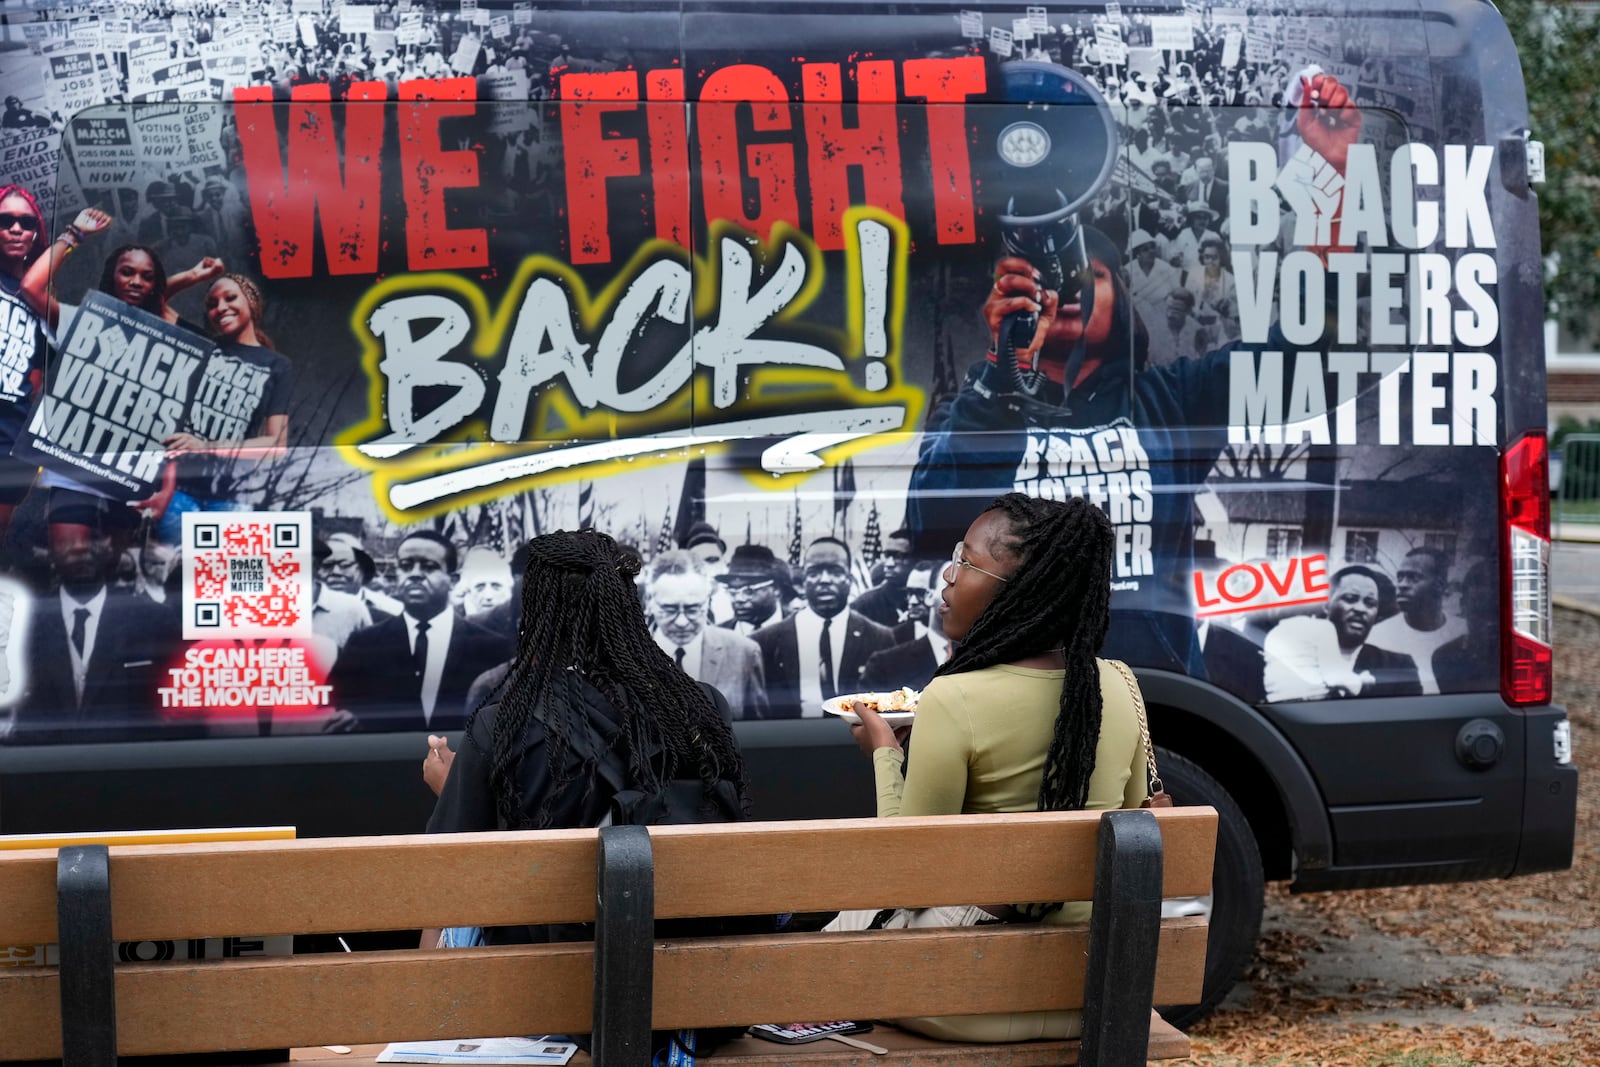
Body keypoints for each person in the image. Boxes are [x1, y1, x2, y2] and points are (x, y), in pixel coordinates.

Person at [832, 493, 1148, 1042]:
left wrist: (885, 754)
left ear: (1020, 589)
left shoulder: (953, 699)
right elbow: (1135, 826)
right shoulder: (1120, 684)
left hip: (965, 1000)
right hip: (1091, 994)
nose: (947, 578)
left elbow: (904, 878)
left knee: (825, 942)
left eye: (966, 561)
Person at [424, 530, 750, 944]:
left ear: (538, 611)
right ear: (627, 606)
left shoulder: (501, 728)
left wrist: (453, 788)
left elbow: (443, 875)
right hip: (687, 968)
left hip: (539, 982)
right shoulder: (704, 707)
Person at [8, 527, 184, 744]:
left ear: (111, 546)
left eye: (93, 536)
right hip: (37, 768)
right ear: (49, 550)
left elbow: (178, 709)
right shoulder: (18, 621)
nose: (80, 548)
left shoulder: (153, 619)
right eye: (67, 538)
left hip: (130, 767)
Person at [156, 274, 294, 544]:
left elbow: (277, 444)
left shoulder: (277, 366)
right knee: (175, 576)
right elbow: (155, 301)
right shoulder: (203, 343)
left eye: (230, 298)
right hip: (178, 490)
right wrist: (197, 275)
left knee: (220, 577)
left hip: (233, 495)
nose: (220, 308)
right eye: (212, 303)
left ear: (252, 302)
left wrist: (205, 445)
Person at [326, 530, 510, 732]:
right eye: (405, 566)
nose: (414, 574)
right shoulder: (364, 644)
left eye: (428, 567)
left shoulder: (491, 648)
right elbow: (333, 709)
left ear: (453, 580)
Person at [750, 537, 896, 718]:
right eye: (814, 572)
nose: (824, 580)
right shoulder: (764, 642)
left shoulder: (880, 638)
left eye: (835, 571)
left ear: (849, 579)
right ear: (803, 580)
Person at [1263, 566, 1423, 700]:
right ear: (1326, 605)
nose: (1360, 609)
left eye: (1370, 603)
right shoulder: (1283, 655)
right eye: (1350, 598)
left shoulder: (1398, 667)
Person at [647, 550, 768, 720]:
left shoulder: (744, 652)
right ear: (650, 602)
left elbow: (760, 733)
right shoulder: (622, 653)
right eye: (669, 609)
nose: (682, 621)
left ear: (707, 602)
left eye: (693, 609)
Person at [0, 185, 52, 547]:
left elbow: (36, 374)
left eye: (26, 222)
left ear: (36, 234)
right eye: (6, 221)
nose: (17, 229)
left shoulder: (41, 300)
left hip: (11, 435)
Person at [1366, 548, 1465, 695]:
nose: (1402, 585)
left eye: (1414, 578)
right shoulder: (1377, 637)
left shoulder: (1462, 632)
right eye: (1400, 578)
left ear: (1440, 585)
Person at [714, 544, 790, 635]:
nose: (738, 599)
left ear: (776, 590)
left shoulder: (800, 630)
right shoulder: (717, 635)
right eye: (732, 592)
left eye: (748, 591)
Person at [849, 529, 914, 629]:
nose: (889, 563)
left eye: (898, 556)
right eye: (887, 555)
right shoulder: (863, 605)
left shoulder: (934, 603)